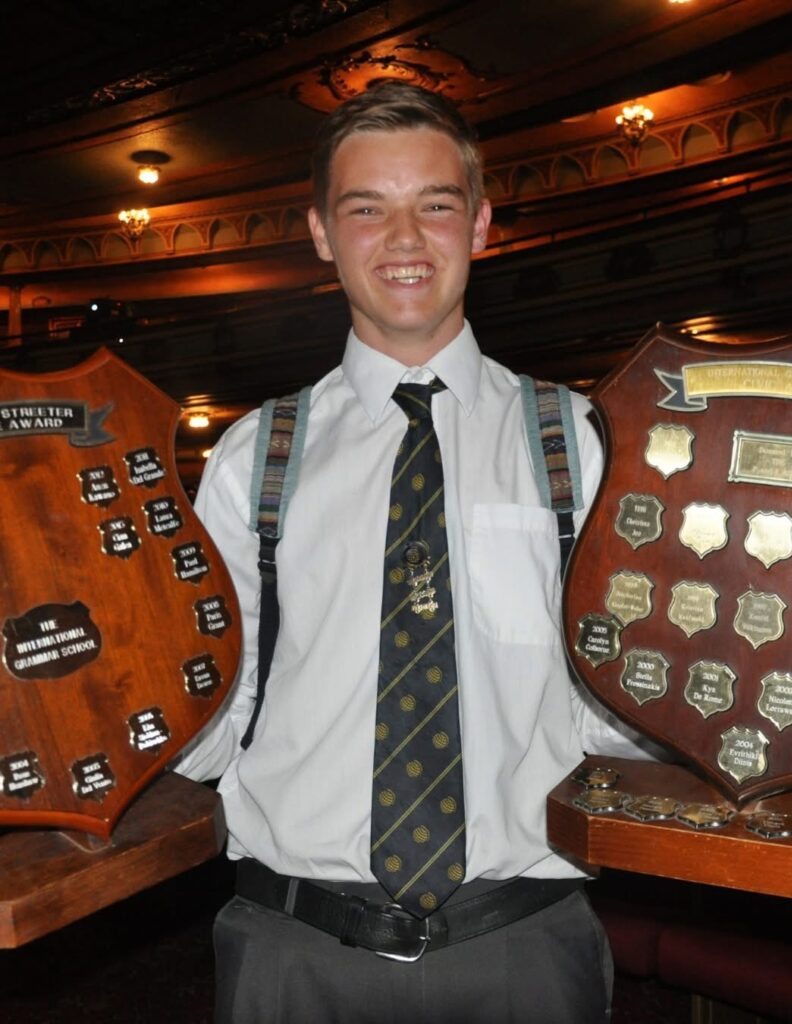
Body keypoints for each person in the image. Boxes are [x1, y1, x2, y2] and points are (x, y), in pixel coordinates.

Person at [176, 81, 654, 1023]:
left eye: (434, 204)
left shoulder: (582, 443)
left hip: (527, 949)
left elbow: (619, 709)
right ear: (321, 232)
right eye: (366, 209)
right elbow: (207, 713)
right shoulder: (251, 460)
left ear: (479, 224)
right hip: (292, 953)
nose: (403, 239)